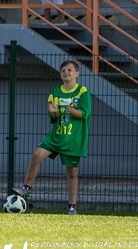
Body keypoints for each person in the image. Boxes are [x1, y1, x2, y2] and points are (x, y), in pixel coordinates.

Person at [14, 60, 91, 215]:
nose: (66, 72)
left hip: (73, 139)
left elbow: (84, 114)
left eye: (69, 70)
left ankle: (72, 207)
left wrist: (72, 111)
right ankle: (26, 189)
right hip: (56, 135)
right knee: (36, 155)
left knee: (72, 172)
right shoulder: (55, 92)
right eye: (63, 70)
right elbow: (53, 117)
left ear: (77, 73)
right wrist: (54, 112)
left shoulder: (82, 91)